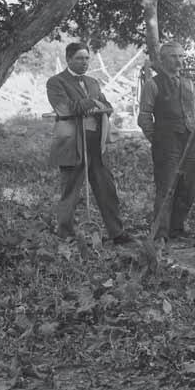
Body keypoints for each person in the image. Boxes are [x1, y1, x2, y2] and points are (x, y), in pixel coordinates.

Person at [45, 42, 131, 244]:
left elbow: (107, 106)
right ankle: (66, 236)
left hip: (95, 144)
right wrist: (91, 103)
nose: (84, 62)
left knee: (107, 188)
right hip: (72, 143)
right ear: (68, 59)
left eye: (86, 58)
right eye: (79, 58)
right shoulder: (56, 82)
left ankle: (117, 233)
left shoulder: (92, 82)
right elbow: (64, 109)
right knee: (70, 192)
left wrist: (97, 105)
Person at [137, 41, 195, 240]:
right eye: (173, 57)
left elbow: (191, 114)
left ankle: (177, 228)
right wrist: (157, 139)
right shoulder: (153, 84)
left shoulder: (189, 83)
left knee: (188, 186)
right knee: (166, 186)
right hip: (166, 142)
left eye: (181, 56)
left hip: (189, 140)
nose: (179, 61)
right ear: (163, 60)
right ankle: (161, 232)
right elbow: (144, 117)